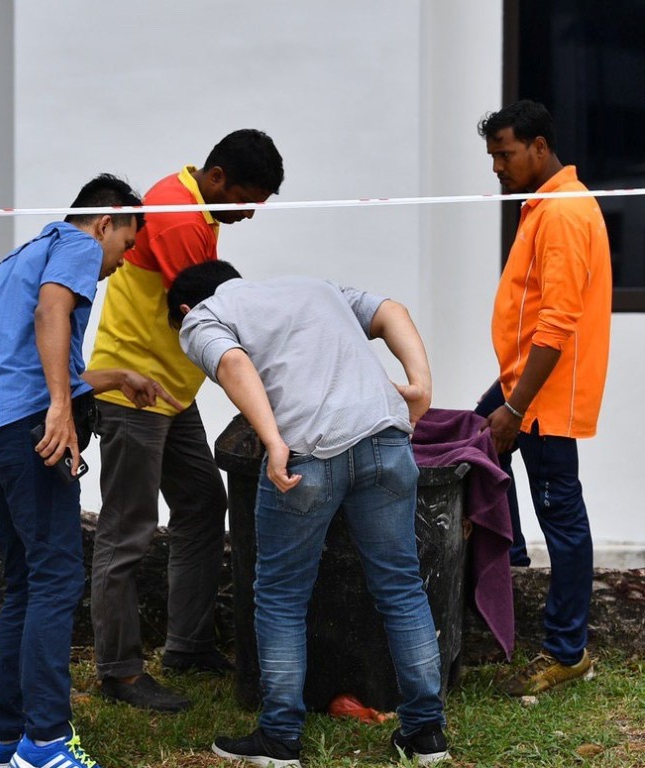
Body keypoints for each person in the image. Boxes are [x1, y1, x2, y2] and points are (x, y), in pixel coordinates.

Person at [168, 261, 450, 768]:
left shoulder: (203, 316)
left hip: (310, 454)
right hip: (386, 439)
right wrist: (421, 384)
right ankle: (427, 735)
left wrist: (273, 441)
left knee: (280, 596)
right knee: (401, 587)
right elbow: (391, 311)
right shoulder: (315, 288)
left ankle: (279, 740)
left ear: (185, 309)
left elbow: (232, 363)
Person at [0, 174, 181, 768]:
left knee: (25, 584)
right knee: (57, 580)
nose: (121, 261)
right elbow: (51, 313)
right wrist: (60, 408)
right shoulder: (80, 244)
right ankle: (47, 742)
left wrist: (115, 378)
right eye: (126, 245)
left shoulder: (17, 258)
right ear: (107, 222)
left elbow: (26, 353)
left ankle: (0, 743)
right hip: (30, 430)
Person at [87, 130, 284, 712]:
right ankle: (120, 673)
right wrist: (270, 397)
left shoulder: (194, 204)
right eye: (246, 199)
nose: (249, 214)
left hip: (172, 393)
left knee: (201, 503)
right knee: (127, 529)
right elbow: (209, 313)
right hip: (132, 392)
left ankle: (188, 646)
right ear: (217, 177)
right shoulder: (177, 217)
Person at [476, 100, 612, 696]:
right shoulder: (545, 203)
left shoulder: (563, 212)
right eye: (492, 156)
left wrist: (515, 408)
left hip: (544, 396)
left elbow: (556, 324)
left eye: (504, 154)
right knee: (474, 447)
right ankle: (509, 567)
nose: (497, 167)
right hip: (522, 382)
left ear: (538, 147)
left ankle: (566, 651)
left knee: (563, 514)